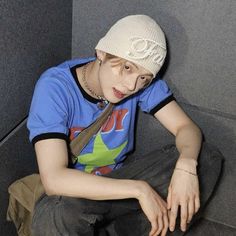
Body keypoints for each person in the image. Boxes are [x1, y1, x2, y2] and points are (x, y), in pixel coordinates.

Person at [27, 15, 223, 236]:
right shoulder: (55, 88)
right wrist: (140, 190)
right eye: (127, 68)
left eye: (144, 79)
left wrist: (186, 166)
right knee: (55, 213)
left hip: (120, 183)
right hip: (77, 195)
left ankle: (139, 229)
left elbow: (186, 128)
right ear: (102, 52)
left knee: (205, 158)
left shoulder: (139, 84)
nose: (131, 85)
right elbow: (54, 179)